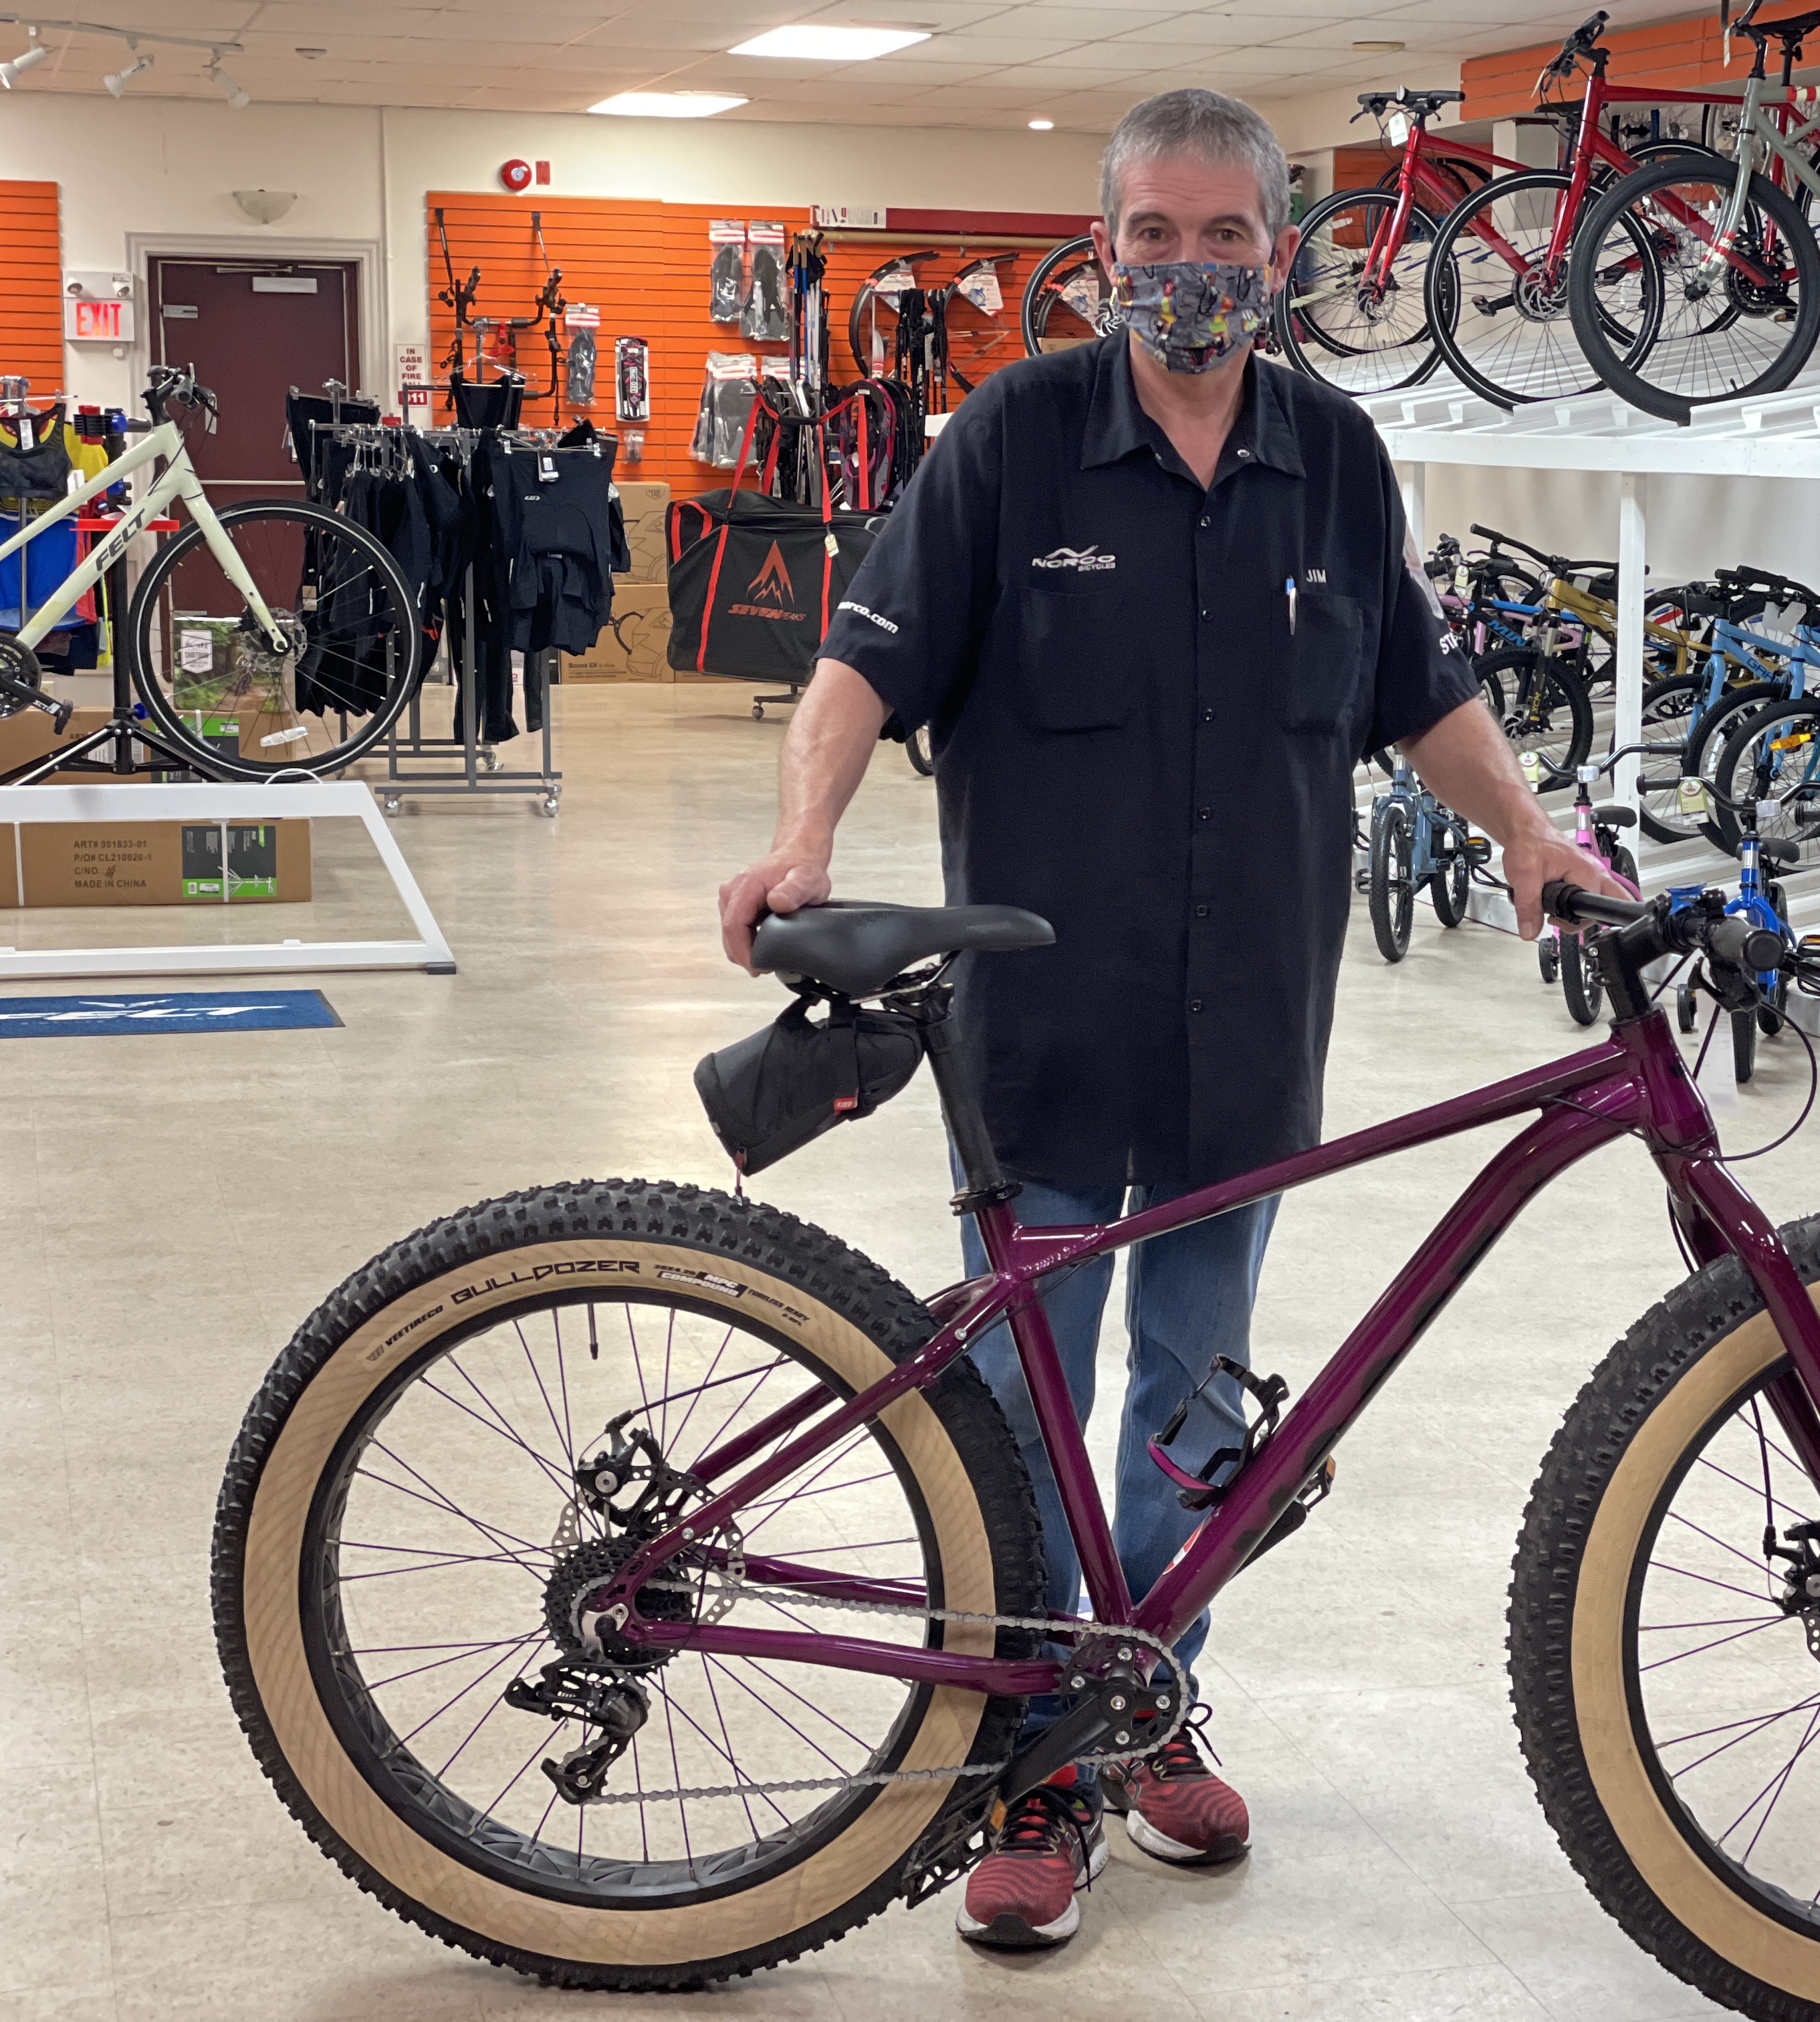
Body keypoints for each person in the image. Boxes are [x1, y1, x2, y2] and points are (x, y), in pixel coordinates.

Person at [715, 88, 1625, 1953]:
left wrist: (1528, 832)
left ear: (1278, 255)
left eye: (1225, 236)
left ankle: (1136, 1699)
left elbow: (1422, 691)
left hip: (1245, 1032)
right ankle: (1024, 1759)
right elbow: (862, 663)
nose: (1189, 267)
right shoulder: (1015, 436)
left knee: (1199, 1415)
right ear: (1103, 248)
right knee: (1023, 1420)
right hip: (1043, 1036)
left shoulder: (1336, 456)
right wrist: (803, 837)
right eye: (1155, 234)